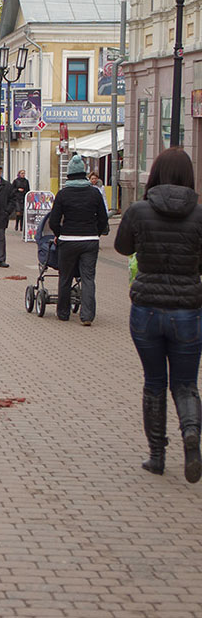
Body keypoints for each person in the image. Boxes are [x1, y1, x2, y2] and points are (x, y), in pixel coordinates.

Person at [115, 147, 202, 483]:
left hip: (147, 310)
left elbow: (123, 247)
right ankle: (191, 438)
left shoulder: (138, 210)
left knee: (154, 383)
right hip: (187, 312)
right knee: (185, 384)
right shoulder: (198, 215)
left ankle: (157, 456)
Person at [47, 155, 109, 325]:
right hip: (90, 240)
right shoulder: (94, 193)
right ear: (84, 173)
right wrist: (95, 232)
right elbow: (103, 218)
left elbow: (53, 221)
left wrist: (60, 234)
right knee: (88, 278)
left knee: (65, 276)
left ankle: (63, 312)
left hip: (68, 240)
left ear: (69, 175)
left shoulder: (63, 194)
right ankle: (87, 316)